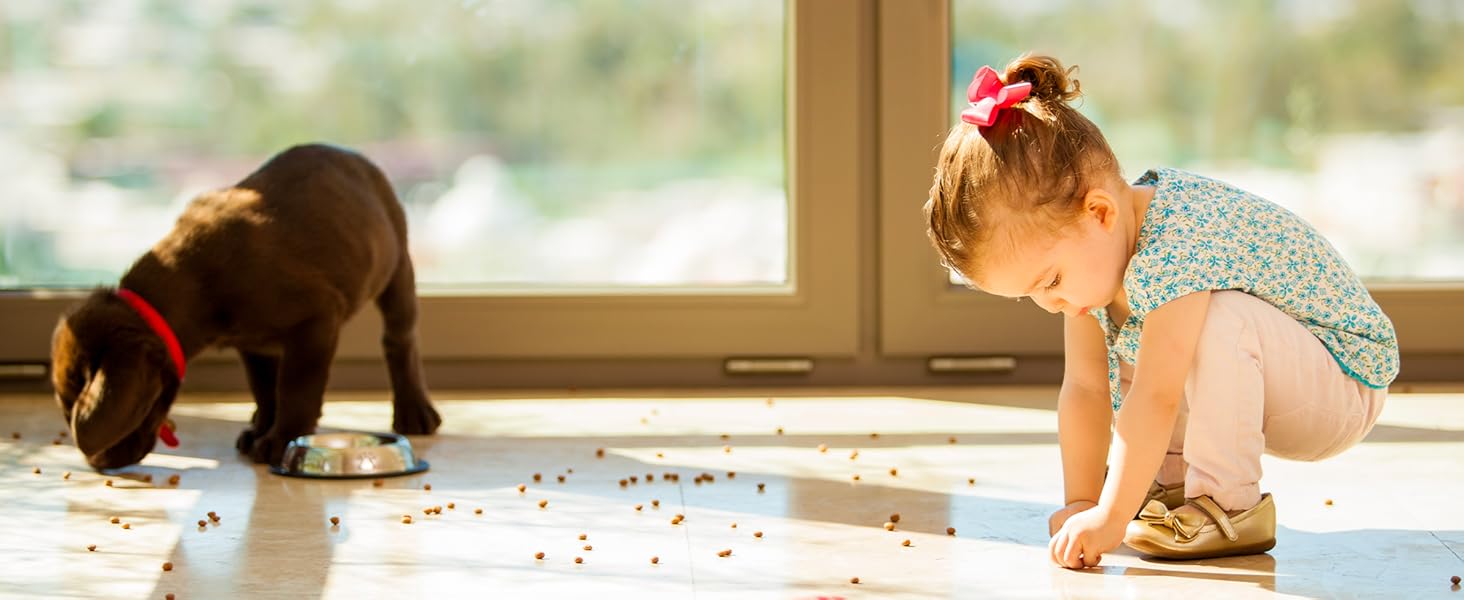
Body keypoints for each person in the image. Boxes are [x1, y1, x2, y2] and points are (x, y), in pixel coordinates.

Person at [923, 54, 1398, 568]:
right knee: (1157, 341)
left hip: (1344, 380)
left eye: (1051, 281)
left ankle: (1230, 504)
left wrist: (1110, 518)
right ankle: (1171, 490)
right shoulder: (1096, 255)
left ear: (1099, 212)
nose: (1051, 302)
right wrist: (1083, 501)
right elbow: (1083, 388)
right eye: (1032, 293)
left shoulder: (1178, 240)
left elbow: (1156, 394)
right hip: (1276, 380)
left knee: (1216, 322)